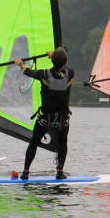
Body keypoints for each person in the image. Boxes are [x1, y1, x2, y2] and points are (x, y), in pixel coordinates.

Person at [14, 47, 74, 180]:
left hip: (44, 119)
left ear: (52, 60)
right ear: (65, 62)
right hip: (62, 120)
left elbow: (27, 71)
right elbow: (62, 69)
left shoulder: (43, 74)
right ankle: (59, 171)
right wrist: (54, 57)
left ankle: (25, 172)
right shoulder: (71, 73)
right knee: (63, 143)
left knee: (34, 142)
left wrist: (20, 63)